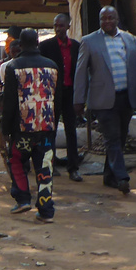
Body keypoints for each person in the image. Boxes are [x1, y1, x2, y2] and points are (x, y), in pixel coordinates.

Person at [72, 6, 136, 196]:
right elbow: (81, 72)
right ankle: (122, 177)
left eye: (111, 18)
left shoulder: (129, 39)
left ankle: (109, 176)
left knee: (121, 137)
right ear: (100, 21)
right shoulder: (89, 41)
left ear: (117, 19)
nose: (107, 22)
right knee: (113, 138)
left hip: (126, 97)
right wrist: (79, 99)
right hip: (102, 100)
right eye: (103, 19)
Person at [1, 28, 59, 220]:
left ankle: (23, 198)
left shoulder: (13, 66)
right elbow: (56, 98)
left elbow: (9, 102)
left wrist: (6, 128)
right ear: (37, 42)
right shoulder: (52, 66)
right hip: (47, 126)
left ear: (21, 44)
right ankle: (46, 211)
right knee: (44, 166)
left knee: (16, 160)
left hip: (23, 127)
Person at [39, 13, 84, 181]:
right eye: (56, 25)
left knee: (71, 130)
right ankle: (50, 164)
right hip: (52, 94)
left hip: (71, 93)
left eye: (61, 25)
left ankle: (73, 168)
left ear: (68, 27)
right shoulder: (46, 46)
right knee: (50, 130)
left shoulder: (76, 47)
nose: (58, 28)